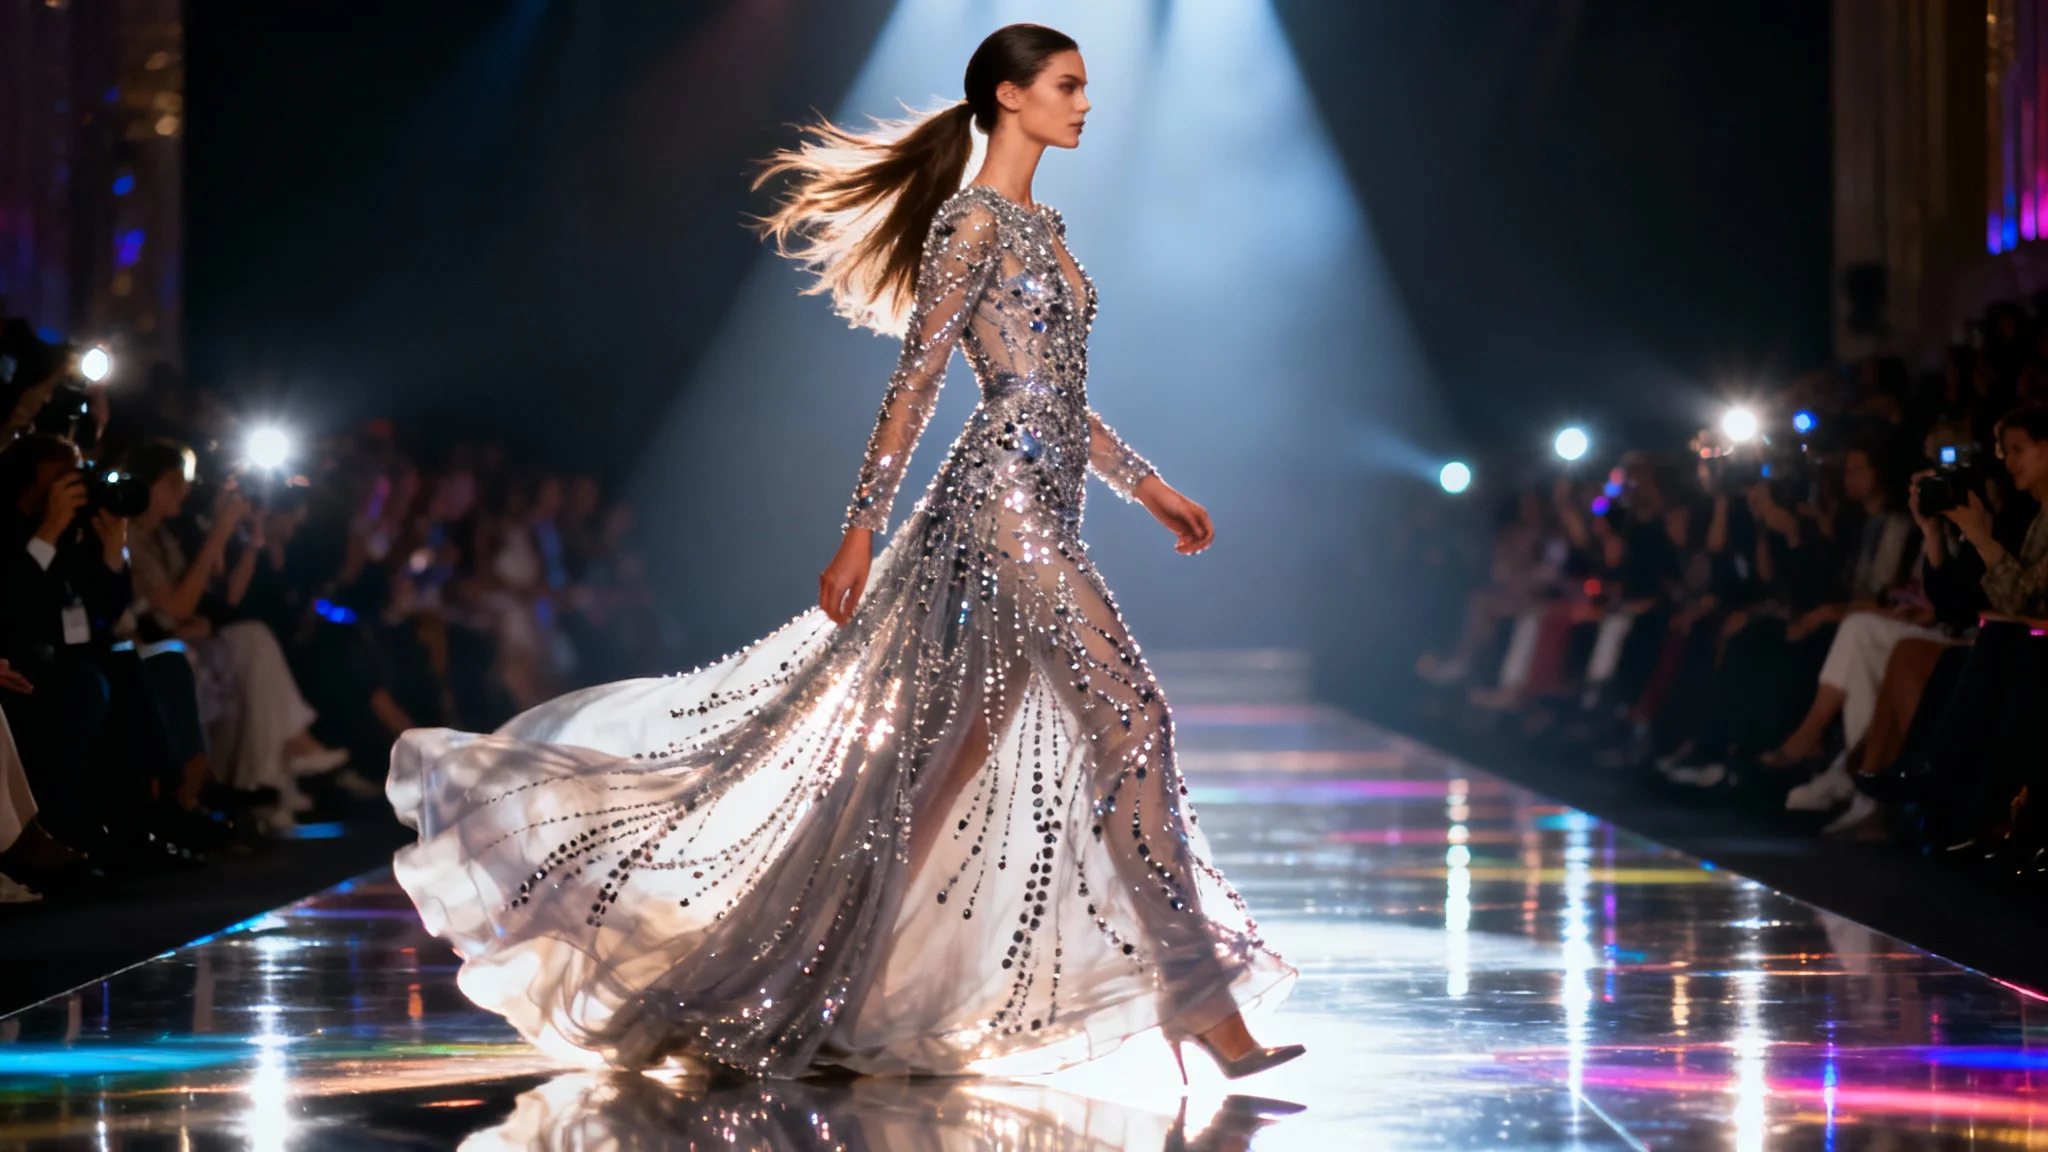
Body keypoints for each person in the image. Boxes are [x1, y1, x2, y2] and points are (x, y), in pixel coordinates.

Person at [386, 23, 1301, 1081]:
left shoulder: (1043, 225)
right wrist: (859, 529)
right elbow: (919, 380)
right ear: (1009, 96)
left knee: (934, 775)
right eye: (1066, 85)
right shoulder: (971, 222)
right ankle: (1199, 999)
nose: (1085, 103)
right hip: (1000, 512)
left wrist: (1145, 485)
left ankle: (808, 985)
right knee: (1131, 721)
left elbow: (1049, 393)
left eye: (1084, 86)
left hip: (1044, 501)